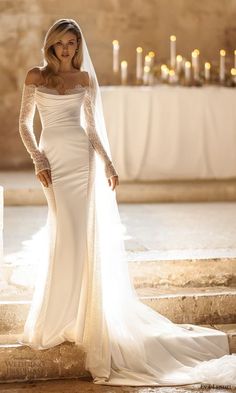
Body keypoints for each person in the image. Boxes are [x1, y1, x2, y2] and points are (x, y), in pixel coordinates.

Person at [18, 18, 236, 388]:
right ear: (51, 45)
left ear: (78, 45)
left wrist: (109, 162)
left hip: (83, 162)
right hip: (53, 161)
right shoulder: (35, 77)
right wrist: (38, 158)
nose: (66, 49)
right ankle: (57, 318)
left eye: (72, 43)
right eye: (60, 43)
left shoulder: (85, 81)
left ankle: (85, 318)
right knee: (64, 235)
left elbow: (91, 128)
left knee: (82, 239)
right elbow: (24, 124)